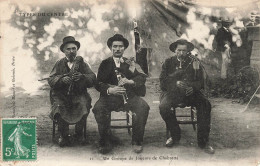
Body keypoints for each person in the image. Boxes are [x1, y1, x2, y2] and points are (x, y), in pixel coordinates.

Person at [93, 34, 150, 154]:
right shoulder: (105, 63)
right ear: (111, 48)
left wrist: (131, 81)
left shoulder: (130, 63)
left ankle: (137, 141)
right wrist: (110, 89)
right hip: (109, 98)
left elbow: (142, 77)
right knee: (98, 108)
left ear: (124, 48)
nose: (118, 49)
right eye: (115, 46)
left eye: (120, 46)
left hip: (129, 97)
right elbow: (98, 83)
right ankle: (105, 141)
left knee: (143, 107)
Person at [159, 39, 215, 154]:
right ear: (175, 50)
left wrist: (193, 87)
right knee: (163, 107)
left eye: (184, 51)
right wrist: (175, 83)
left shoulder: (194, 62)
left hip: (191, 94)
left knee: (205, 104)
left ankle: (203, 142)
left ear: (188, 51)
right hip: (172, 93)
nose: (181, 53)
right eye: (179, 50)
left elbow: (201, 81)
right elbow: (162, 82)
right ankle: (175, 135)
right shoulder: (168, 62)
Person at [48, 36, 96, 147]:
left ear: (77, 50)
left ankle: (78, 134)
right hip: (61, 95)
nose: (71, 51)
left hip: (79, 94)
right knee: (59, 106)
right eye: (68, 49)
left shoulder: (83, 63)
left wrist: (82, 77)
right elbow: (51, 79)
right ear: (64, 51)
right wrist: (61, 79)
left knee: (84, 104)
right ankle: (63, 136)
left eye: (74, 48)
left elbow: (92, 78)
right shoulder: (59, 63)